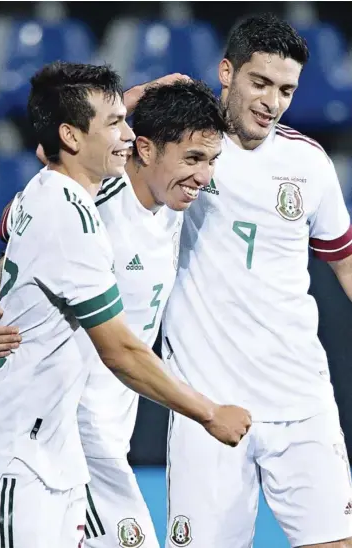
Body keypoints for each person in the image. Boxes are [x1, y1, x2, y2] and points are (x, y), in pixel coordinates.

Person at [0, 61, 251, 548]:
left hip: (76, 453)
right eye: (193, 158)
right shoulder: (87, 204)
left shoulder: (171, 198)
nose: (204, 176)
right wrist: (209, 413)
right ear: (146, 149)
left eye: (211, 160)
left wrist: (143, 95)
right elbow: (118, 349)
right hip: (49, 446)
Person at [162, 13, 352, 548]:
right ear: (227, 72)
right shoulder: (183, 149)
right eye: (260, 82)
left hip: (300, 397)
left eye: (286, 89)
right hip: (208, 405)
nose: (272, 101)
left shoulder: (309, 163)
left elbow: (345, 260)